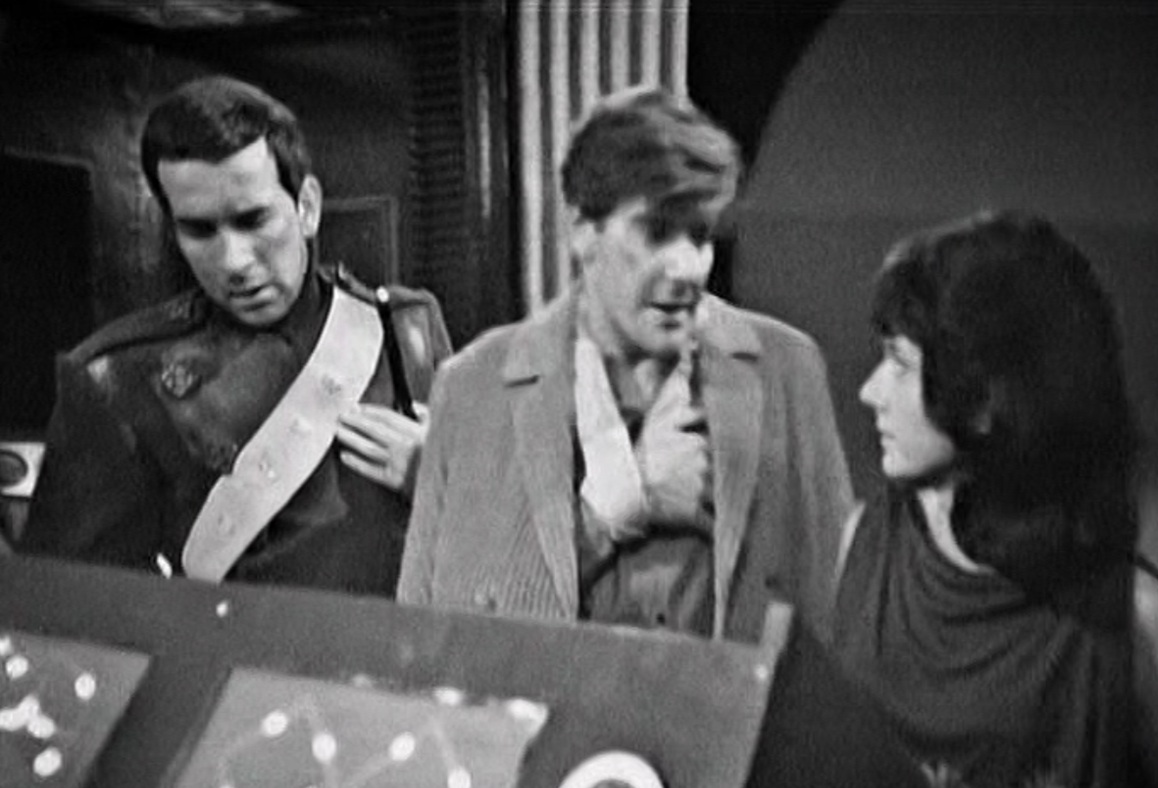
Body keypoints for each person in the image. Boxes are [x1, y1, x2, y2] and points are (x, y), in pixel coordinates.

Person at [397, 85, 853, 643]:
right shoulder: (474, 385)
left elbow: (836, 621)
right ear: (583, 231)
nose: (687, 267)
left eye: (700, 235)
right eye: (656, 232)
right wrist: (617, 505)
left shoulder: (786, 369)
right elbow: (432, 638)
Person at [829, 210, 1158, 788]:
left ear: (987, 400)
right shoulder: (862, 547)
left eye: (900, 365)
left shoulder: (1135, 621)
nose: (869, 391)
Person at [20, 75, 451, 596]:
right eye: (200, 230)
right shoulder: (117, 379)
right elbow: (71, 602)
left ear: (307, 207)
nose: (234, 261)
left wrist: (441, 480)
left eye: (253, 220)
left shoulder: (404, 329)